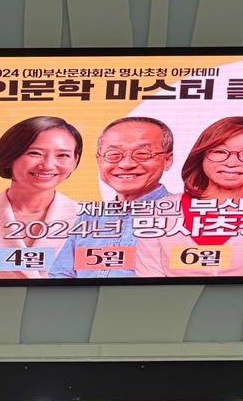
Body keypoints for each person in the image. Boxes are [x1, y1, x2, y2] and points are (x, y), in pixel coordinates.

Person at [135, 116, 243, 278]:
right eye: (219, 151)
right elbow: (149, 279)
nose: (232, 163)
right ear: (202, 155)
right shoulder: (160, 211)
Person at [0, 116, 83, 279]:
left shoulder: (93, 221)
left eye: (62, 155)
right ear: (9, 157)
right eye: (35, 153)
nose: (47, 165)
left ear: (75, 161)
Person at [50, 117, 175, 279]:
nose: (126, 164)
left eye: (142, 154)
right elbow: (61, 275)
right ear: (99, 160)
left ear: (168, 160)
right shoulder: (91, 216)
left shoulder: (183, 214)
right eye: (114, 154)